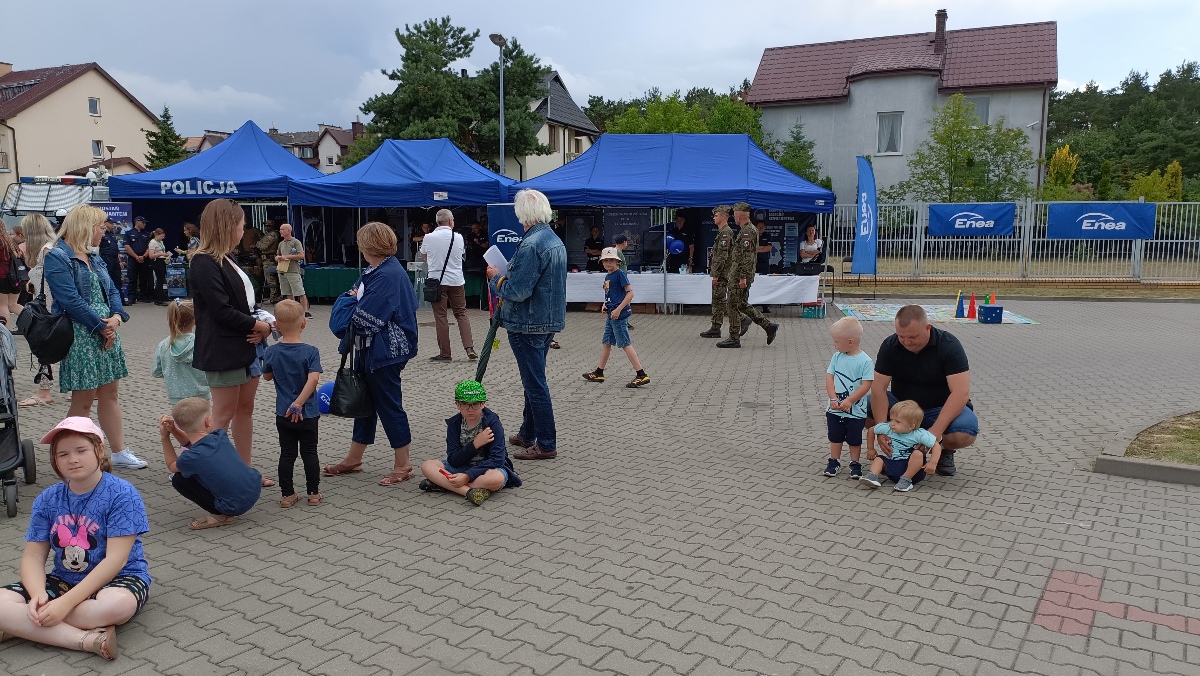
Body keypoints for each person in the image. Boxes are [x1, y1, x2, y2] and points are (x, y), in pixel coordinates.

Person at [0, 417, 151, 661]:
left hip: (119, 578)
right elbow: (33, 556)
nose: (72, 459)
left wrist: (63, 604)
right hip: (63, 580)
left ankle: (20, 625)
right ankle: (86, 640)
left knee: (116, 606)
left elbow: (116, 561)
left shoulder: (122, 494)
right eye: (62, 454)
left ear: (99, 450)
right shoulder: (48, 498)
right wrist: (39, 595)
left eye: (81, 450)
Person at [44, 205, 145, 470]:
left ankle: (119, 451)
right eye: (100, 227)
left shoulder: (93, 256)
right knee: (84, 400)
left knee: (110, 395)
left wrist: (116, 318)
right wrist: (101, 327)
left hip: (105, 329)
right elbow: (69, 300)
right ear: (86, 227)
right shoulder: (58, 256)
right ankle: (69, 455)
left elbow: (113, 290)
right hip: (82, 332)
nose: (104, 231)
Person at [324, 222, 420, 486]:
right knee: (365, 405)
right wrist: (350, 300)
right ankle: (354, 459)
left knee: (389, 406)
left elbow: (359, 321)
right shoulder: (377, 269)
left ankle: (403, 465)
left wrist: (348, 301)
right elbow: (354, 308)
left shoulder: (386, 275)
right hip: (373, 349)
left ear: (368, 246)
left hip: (386, 352)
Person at [189, 199, 275, 487]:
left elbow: (245, 304)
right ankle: (209, 474)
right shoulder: (203, 261)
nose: (243, 230)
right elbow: (221, 310)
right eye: (240, 225)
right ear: (227, 226)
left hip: (246, 345)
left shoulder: (227, 258)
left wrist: (261, 327)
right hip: (224, 348)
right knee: (222, 415)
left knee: (245, 410)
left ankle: (244, 471)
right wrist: (258, 325)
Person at [486, 189, 567, 460]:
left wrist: (496, 278)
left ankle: (545, 443)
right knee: (534, 380)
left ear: (523, 214)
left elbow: (518, 290)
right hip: (546, 321)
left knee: (534, 383)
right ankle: (528, 432)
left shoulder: (532, 244)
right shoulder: (553, 239)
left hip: (527, 323)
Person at [865, 304, 978, 477]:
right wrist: (881, 429)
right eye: (901, 336)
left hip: (939, 407)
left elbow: (961, 393)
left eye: (912, 336)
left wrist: (933, 433)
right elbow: (878, 389)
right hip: (903, 408)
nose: (906, 342)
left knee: (964, 432)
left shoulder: (948, 345)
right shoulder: (890, 345)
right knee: (861, 408)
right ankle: (901, 447)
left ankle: (944, 451)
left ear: (928, 328)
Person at [159, 398, 262, 529]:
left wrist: (165, 437)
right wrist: (173, 430)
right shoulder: (219, 436)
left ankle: (221, 515)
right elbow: (193, 445)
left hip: (235, 506)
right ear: (208, 421)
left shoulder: (191, 457)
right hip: (255, 488)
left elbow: (172, 465)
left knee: (178, 479)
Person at [418, 380, 522, 506]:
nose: (470, 409)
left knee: (496, 478)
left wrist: (467, 476)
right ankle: (469, 492)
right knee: (427, 465)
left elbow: (497, 459)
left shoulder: (492, 423)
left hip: (487, 468)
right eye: (465, 405)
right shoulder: (454, 424)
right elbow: (453, 460)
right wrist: (475, 444)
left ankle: (445, 485)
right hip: (463, 466)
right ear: (457, 405)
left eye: (475, 405)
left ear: (483, 404)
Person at [261, 300, 323, 508]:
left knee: (287, 453)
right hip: (309, 413)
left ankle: (287, 494)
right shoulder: (311, 351)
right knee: (310, 453)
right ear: (304, 323)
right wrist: (300, 403)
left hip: (283, 413)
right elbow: (313, 380)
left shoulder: (272, 352)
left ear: (276, 325)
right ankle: (313, 493)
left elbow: (267, 377)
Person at [582, 248, 650, 388]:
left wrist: (619, 309)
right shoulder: (608, 276)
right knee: (607, 342)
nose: (607, 263)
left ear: (617, 262)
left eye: (610, 260)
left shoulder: (619, 274)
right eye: (605, 261)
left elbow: (630, 294)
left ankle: (641, 374)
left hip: (618, 314)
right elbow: (610, 294)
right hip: (611, 313)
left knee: (625, 343)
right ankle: (599, 371)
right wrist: (605, 305)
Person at [718, 203, 778, 349]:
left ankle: (734, 337)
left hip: (740, 275)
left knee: (732, 304)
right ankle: (768, 326)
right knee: (740, 304)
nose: (734, 218)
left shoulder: (748, 232)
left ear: (739, 216)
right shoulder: (746, 230)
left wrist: (743, 277)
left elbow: (747, 257)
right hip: (739, 274)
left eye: (735, 215)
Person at [421, 209, 476, 362]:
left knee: (441, 317)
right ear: (451, 221)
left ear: (437, 222)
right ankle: (469, 347)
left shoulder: (428, 237)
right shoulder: (458, 237)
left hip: (437, 282)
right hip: (456, 280)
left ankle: (445, 353)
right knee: (461, 314)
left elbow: (424, 256)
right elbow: (461, 255)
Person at [822, 317, 873, 480]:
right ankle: (834, 461)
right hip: (835, 409)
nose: (834, 345)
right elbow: (829, 377)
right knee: (835, 436)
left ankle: (854, 462)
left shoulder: (865, 361)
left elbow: (866, 385)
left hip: (856, 411)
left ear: (850, 341)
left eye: (836, 341)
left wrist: (850, 400)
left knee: (854, 438)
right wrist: (832, 398)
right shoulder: (836, 357)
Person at [19, 214, 59, 407]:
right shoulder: (50, 248)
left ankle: (44, 391)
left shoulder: (47, 251)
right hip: (49, 305)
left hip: (48, 307)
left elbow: (54, 280)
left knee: (44, 348)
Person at [860, 400, 942, 492]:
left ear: (911, 425)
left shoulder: (919, 434)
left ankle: (906, 480)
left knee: (918, 454)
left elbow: (936, 446)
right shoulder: (889, 428)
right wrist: (870, 449)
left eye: (898, 421)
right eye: (891, 419)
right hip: (894, 465)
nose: (892, 423)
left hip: (914, 470)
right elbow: (871, 430)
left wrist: (933, 462)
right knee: (879, 459)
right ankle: (872, 476)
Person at [151, 299, 210, 406]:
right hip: (202, 395)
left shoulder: (164, 345)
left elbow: (157, 371)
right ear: (195, 320)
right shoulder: (202, 342)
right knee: (203, 421)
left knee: (180, 422)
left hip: (177, 397)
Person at [700, 205, 736, 339]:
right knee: (717, 300)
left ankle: (742, 319)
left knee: (719, 300)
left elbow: (721, 256)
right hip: (722, 272)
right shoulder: (722, 232)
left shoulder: (726, 232)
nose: (714, 218)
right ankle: (715, 327)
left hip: (722, 273)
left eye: (716, 215)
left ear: (723, 217)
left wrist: (716, 274)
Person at [274, 223, 310, 318]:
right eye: (280, 229)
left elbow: (301, 255)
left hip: (293, 270)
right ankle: (293, 311)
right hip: (282, 271)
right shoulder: (281, 243)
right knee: (288, 292)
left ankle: (305, 311)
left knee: (299, 291)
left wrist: (288, 257)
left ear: (288, 231)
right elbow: (277, 255)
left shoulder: (295, 242)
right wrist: (278, 258)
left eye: (282, 229)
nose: (280, 231)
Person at [121, 216, 151, 304]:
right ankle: (131, 297)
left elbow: (149, 246)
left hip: (144, 258)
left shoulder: (146, 234)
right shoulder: (129, 233)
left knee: (144, 278)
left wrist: (144, 256)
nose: (144, 224)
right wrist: (136, 256)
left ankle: (143, 296)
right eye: (143, 222)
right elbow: (127, 246)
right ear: (137, 222)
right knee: (132, 278)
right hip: (133, 258)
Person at [0, 223, 24, 322]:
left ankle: (6, 333)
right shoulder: (10, 242)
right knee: (12, 305)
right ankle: (36, 318)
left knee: (2, 306)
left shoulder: (1, 243)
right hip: (16, 277)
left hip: (2, 277)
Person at [256, 220, 281, 304]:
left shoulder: (272, 235)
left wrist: (258, 243)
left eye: (268, 225)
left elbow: (264, 246)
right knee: (268, 278)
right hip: (265, 259)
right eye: (266, 225)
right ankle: (272, 296)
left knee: (271, 278)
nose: (266, 227)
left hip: (269, 259)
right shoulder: (267, 235)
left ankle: (274, 297)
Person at [98, 218, 122, 301]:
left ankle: (119, 299)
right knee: (108, 278)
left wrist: (119, 261)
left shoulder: (112, 234)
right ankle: (107, 299)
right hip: (106, 258)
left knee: (117, 278)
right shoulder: (102, 233)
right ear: (106, 223)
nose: (112, 225)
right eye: (111, 223)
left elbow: (116, 248)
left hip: (115, 258)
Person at [146, 228, 169, 306]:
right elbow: (151, 255)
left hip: (162, 261)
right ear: (156, 235)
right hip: (157, 262)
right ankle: (158, 299)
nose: (162, 238)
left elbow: (161, 251)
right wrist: (161, 254)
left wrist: (166, 255)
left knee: (162, 279)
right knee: (159, 280)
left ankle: (161, 296)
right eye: (161, 236)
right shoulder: (152, 242)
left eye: (163, 237)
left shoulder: (161, 242)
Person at [755, 220, 772, 313]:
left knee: (765, 284)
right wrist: (762, 248)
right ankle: (751, 305)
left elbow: (768, 248)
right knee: (752, 284)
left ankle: (765, 307)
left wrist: (757, 248)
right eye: (759, 226)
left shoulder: (767, 236)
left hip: (764, 263)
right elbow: (750, 248)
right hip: (753, 263)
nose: (760, 228)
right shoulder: (752, 235)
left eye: (762, 226)